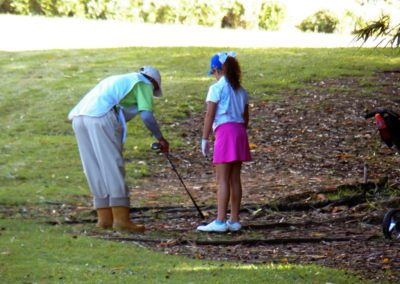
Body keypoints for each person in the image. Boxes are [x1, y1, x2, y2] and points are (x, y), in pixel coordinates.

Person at [68, 66, 169, 233]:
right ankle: (121, 220)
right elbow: (147, 116)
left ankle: (104, 219)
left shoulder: (119, 79)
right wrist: (160, 138)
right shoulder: (143, 83)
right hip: (101, 117)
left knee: (93, 167)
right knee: (112, 165)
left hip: (79, 118)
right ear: (153, 82)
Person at [197, 52, 251, 233]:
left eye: (213, 72)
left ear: (216, 70)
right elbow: (246, 118)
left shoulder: (216, 88)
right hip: (240, 132)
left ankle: (220, 221)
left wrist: (204, 138)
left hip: (225, 132)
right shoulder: (241, 91)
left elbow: (210, 115)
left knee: (222, 180)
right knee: (235, 179)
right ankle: (234, 220)